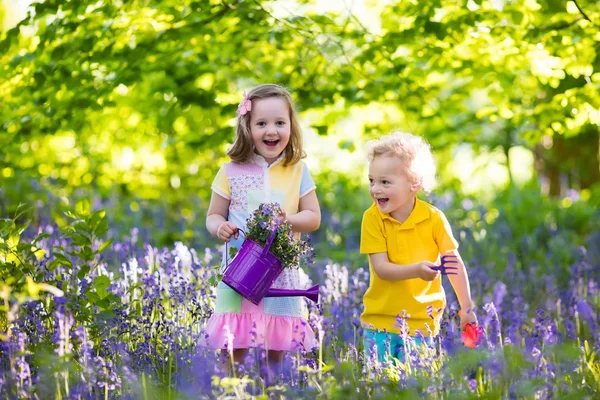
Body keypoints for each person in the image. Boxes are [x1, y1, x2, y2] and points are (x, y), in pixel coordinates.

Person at [202, 84, 321, 378]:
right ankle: (229, 392)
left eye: (280, 123)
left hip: (280, 269)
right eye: (262, 123)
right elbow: (213, 215)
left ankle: (275, 390)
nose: (272, 130)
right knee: (234, 343)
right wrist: (221, 227)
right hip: (239, 270)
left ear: (291, 126)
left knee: (276, 346)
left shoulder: (297, 170)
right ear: (247, 127)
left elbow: (313, 217)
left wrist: (288, 220)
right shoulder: (231, 170)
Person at [360, 132, 477, 365]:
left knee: (416, 387)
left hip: (421, 323)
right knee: (380, 387)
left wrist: (466, 307)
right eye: (372, 181)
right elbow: (382, 269)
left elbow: (453, 262)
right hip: (379, 322)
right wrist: (417, 271)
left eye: (385, 182)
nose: (375, 189)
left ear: (415, 184)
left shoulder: (434, 218)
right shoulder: (372, 218)